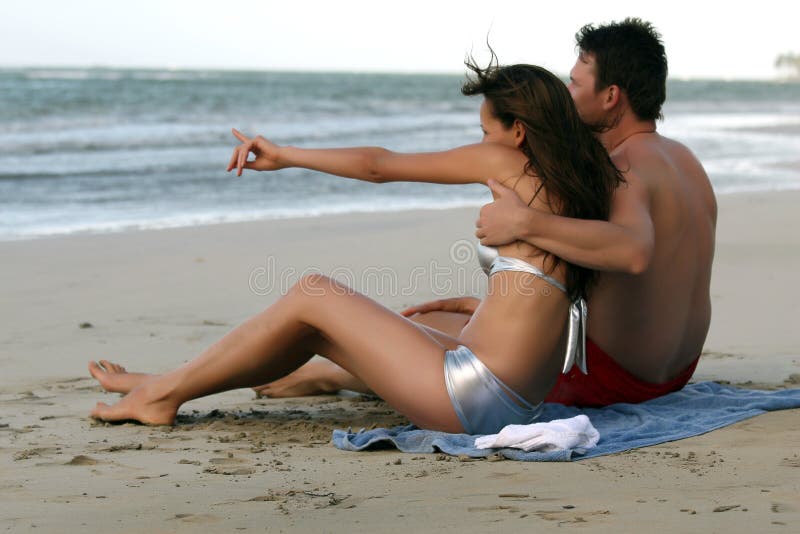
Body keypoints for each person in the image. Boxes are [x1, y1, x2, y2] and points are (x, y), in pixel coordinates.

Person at [88, 60, 623, 435]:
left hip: (479, 398)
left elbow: (380, 166)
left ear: (519, 132)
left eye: (486, 131)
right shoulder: (581, 179)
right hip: (517, 394)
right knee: (330, 321)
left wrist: (287, 155)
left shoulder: (508, 163)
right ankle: (171, 381)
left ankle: (161, 396)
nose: (481, 143)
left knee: (313, 294)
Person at [231, 18, 718, 405]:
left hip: (612, 377)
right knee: (444, 313)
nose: (566, 94)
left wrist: (526, 222)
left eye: (574, 83)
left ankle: (328, 376)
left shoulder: (622, 165)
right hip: (673, 371)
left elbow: (633, 253)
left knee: (430, 334)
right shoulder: (685, 162)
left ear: (611, 97)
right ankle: (335, 371)